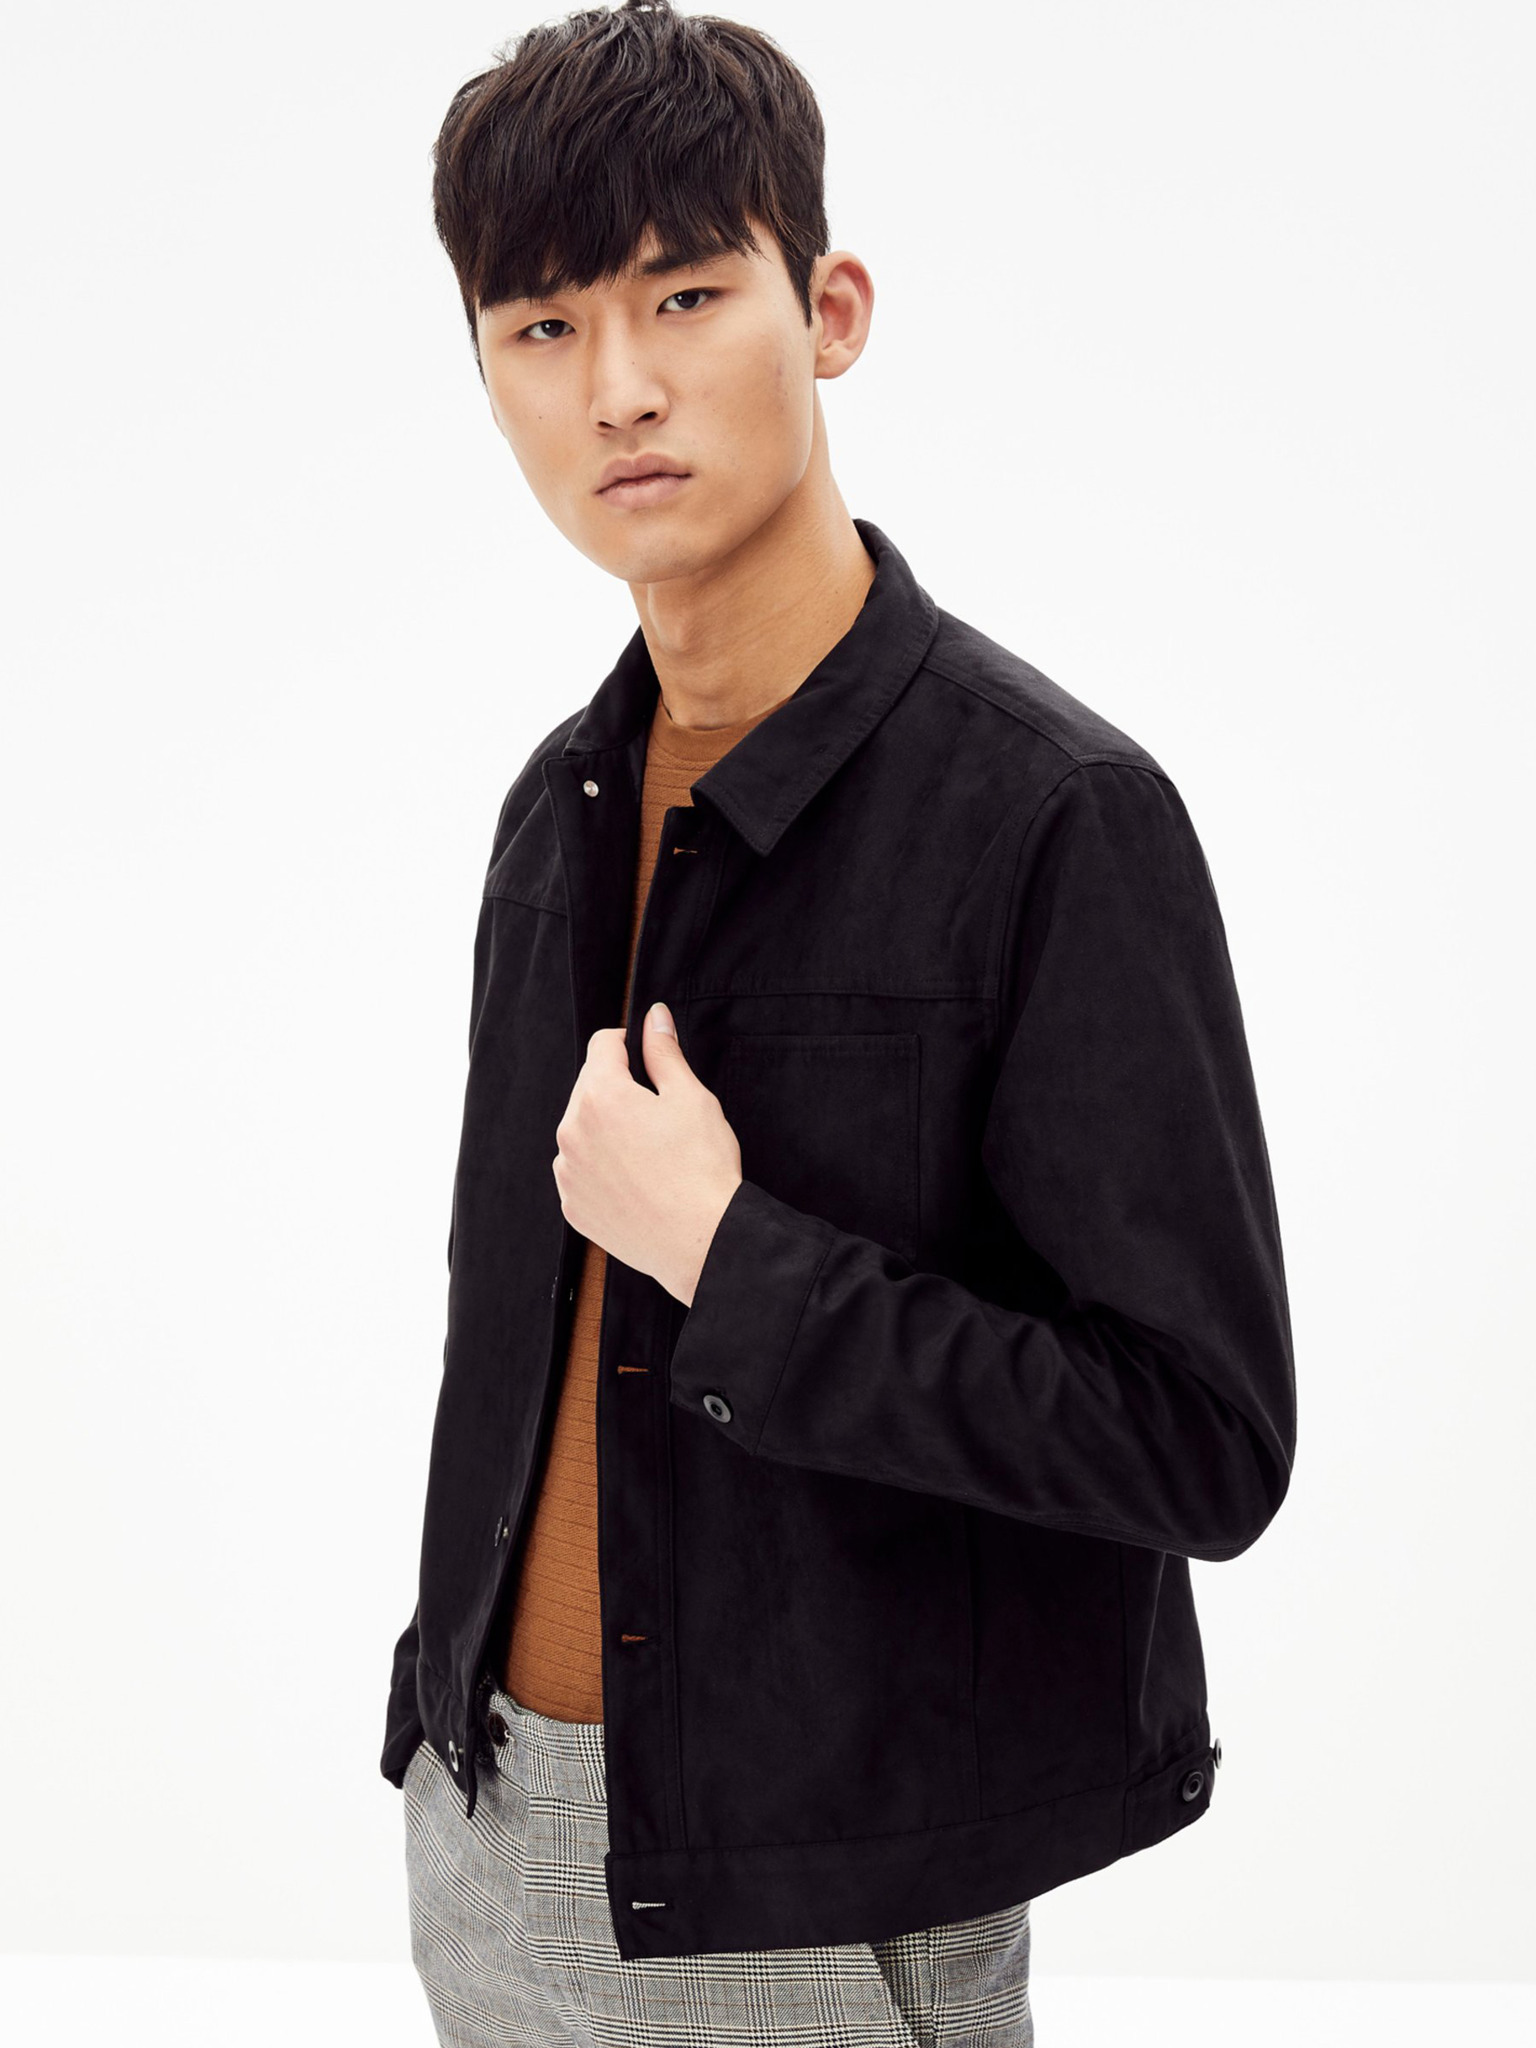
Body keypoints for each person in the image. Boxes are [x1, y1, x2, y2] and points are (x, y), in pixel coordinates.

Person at [383, 5, 1297, 2044]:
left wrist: (732, 1259)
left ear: (831, 310)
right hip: (492, 1840)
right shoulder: (558, 810)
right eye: (541, 327)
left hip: (826, 1905)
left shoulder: (1054, 816)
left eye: (684, 296)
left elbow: (1204, 1439)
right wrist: (441, 1714)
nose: (617, 388)